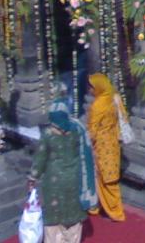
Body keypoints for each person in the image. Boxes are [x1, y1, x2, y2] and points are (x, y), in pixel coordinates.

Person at [27, 102, 97, 243]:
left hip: (54, 183)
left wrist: (32, 178)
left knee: (53, 220)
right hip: (74, 181)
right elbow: (86, 155)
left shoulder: (47, 135)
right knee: (73, 218)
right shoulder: (77, 130)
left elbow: (40, 159)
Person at [85, 74, 126, 222]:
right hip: (113, 142)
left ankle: (116, 211)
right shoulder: (114, 97)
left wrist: (86, 142)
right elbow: (123, 117)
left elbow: (92, 130)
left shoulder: (97, 106)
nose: (90, 90)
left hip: (101, 146)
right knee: (108, 176)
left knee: (106, 179)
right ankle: (103, 206)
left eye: (92, 87)